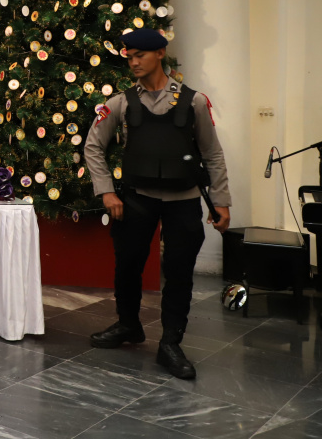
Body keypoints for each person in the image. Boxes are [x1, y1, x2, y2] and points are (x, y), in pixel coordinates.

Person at [82, 28, 231, 380]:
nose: (133, 62)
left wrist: (221, 201)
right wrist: (107, 192)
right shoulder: (120, 103)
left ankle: (170, 344)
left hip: (184, 200)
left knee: (178, 272)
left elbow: (212, 153)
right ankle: (128, 324)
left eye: (141, 56)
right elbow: (93, 146)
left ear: (160, 53)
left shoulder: (193, 102)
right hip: (137, 199)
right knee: (127, 265)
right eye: (129, 57)